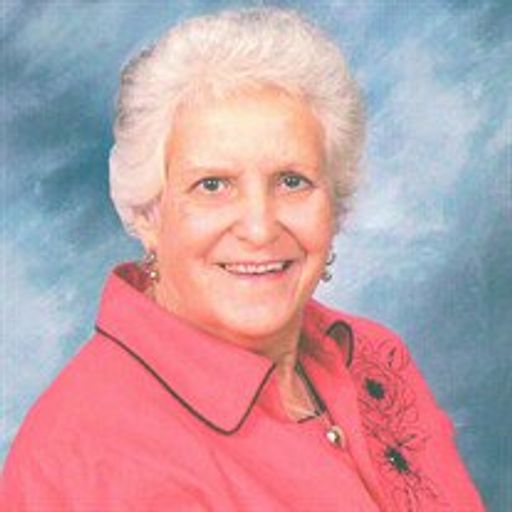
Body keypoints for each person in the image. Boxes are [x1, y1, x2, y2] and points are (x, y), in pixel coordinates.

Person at [1, 7, 485, 511]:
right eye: (213, 185)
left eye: (292, 181)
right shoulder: (88, 459)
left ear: (334, 202)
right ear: (147, 213)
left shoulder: (374, 358)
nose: (259, 228)